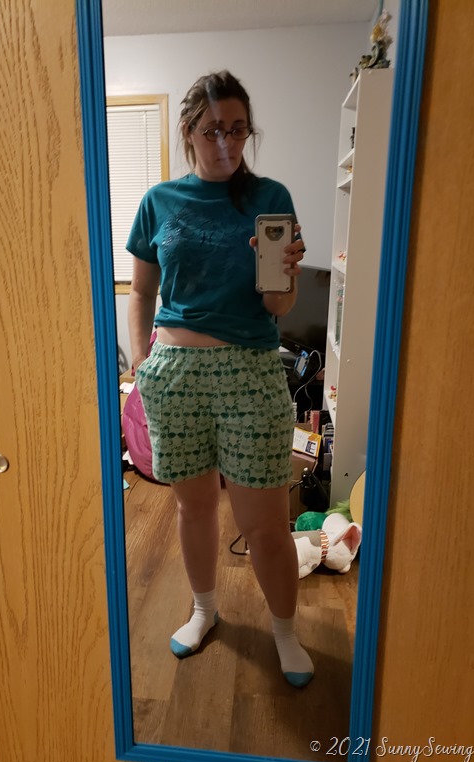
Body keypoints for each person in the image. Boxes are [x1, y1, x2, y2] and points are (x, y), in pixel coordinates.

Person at [126, 70, 313, 688]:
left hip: (251, 372)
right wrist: (141, 362)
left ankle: (284, 631)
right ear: (189, 131)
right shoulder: (159, 201)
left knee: (265, 520)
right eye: (212, 131)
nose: (226, 143)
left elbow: (278, 308)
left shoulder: (269, 196)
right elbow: (143, 291)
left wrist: (285, 274)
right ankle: (204, 610)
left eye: (237, 130)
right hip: (175, 373)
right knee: (194, 507)